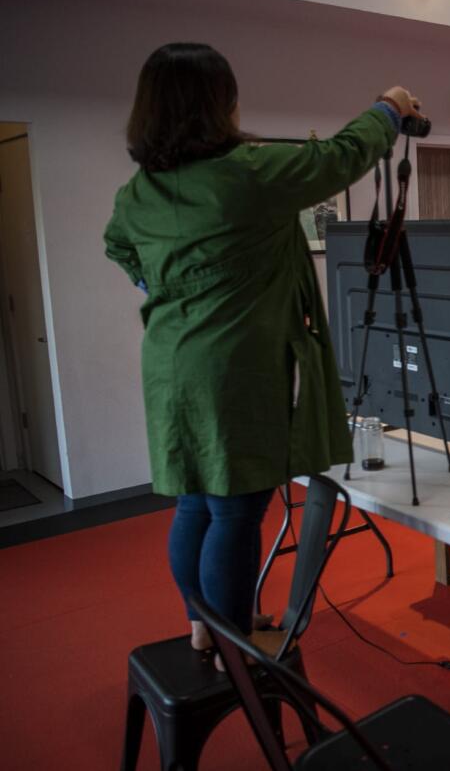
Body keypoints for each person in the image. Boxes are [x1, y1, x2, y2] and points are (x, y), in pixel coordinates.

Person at [103, 42, 421, 663]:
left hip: (170, 362)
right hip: (231, 368)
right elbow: (339, 157)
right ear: (216, 105)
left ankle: (204, 625)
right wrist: (390, 107)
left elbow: (118, 248)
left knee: (197, 498)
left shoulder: (138, 192)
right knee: (237, 510)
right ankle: (233, 644)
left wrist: (167, 290)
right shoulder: (246, 175)